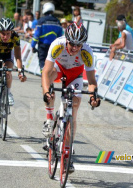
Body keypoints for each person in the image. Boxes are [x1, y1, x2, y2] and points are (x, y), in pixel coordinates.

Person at [41, 23, 101, 172]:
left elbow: (92, 81)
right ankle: (50, 119)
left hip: (76, 75)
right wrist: (46, 92)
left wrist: (94, 96)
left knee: (73, 110)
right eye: (72, 44)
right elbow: (46, 72)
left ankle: (67, 155)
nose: (74, 48)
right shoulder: (57, 45)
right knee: (50, 88)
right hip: (59, 70)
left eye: (78, 45)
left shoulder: (87, 52)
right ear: (67, 40)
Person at [0, 18, 27, 128]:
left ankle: (7, 92)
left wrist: (20, 71)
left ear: (11, 32)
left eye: (8, 34)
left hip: (7, 56)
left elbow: (18, 56)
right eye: (3, 33)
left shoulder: (15, 37)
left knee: (8, 71)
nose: (5, 36)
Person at [31, 2, 62, 72]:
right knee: (51, 62)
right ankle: (50, 77)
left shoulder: (41, 21)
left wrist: (33, 45)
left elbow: (36, 34)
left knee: (42, 62)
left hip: (42, 45)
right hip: (54, 46)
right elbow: (60, 36)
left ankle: (43, 76)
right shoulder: (57, 21)